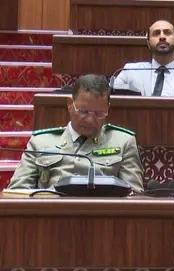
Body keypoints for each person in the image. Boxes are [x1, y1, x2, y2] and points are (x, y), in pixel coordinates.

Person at [7, 74, 144, 192]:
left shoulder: (124, 142)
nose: (90, 120)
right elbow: (17, 192)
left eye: (99, 113)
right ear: (70, 104)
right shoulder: (41, 142)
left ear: (107, 108)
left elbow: (134, 196)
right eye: (83, 112)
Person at [113, 20, 174, 97]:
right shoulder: (129, 71)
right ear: (148, 44)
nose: (162, 37)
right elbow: (112, 101)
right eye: (156, 33)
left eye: (167, 33)